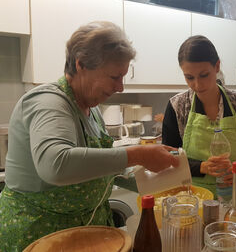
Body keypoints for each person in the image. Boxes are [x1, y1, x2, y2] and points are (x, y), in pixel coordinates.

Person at [0, 21, 179, 251]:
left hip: (86, 234)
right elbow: (55, 164)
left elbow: (105, 168)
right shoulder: (48, 102)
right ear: (81, 64)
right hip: (41, 235)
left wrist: (168, 180)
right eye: (114, 77)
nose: (121, 87)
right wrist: (137, 154)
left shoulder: (92, 109)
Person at [162, 35, 236, 198]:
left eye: (204, 75)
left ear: (217, 66)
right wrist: (201, 167)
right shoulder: (177, 107)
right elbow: (169, 160)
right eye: (189, 77)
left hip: (234, 196)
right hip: (192, 198)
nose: (197, 85)